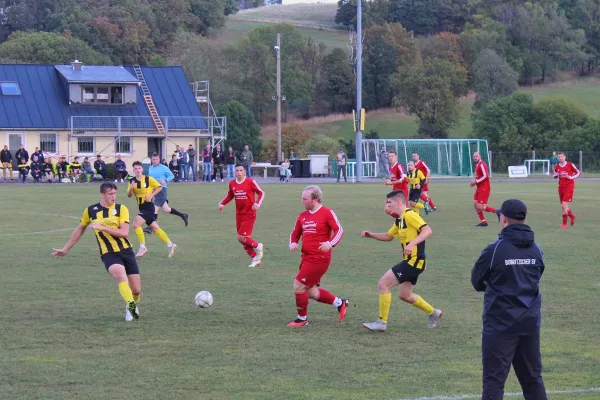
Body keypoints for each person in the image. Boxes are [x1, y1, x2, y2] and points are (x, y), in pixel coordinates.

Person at [471, 199, 547, 399]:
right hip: (529, 324)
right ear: (525, 219)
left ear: (503, 219)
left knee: (494, 383)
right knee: (533, 380)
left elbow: (477, 281)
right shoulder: (536, 249)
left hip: (499, 326)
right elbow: (536, 276)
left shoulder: (494, 250)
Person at [52, 182, 141, 322]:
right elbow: (80, 229)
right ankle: (131, 307)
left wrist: (102, 227)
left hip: (126, 251)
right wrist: (65, 249)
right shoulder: (91, 210)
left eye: (115, 193)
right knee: (120, 275)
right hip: (108, 253)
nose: (114, 196)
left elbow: (124, 233)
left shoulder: (121, 208)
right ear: (102, 194)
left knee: (136, 290)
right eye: (110, 194)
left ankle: (131, 302)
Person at [361, 190, 442, 332]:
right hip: (412, 262)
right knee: (405, 295)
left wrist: (412, 244)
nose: (388, 206)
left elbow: (427, 231)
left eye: (389, 203)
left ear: (398, 202)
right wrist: (371, 235)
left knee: (383, 283)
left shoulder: (410, 215)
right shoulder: (400, 220)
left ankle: (381, 322)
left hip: (414, 262)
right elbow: (388, 236)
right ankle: (433, 313)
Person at [287, 185, 348, 327]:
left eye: (305, 199)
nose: (302, 201)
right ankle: (340, 303)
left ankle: (302, 319)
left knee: (298, 286)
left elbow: (339, 230)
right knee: (311, 292)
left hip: (319, 258)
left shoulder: (327, 213)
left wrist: (330, 243)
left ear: (315, 199)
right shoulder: (302, 216)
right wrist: (293, 243)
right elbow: (294, 233)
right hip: (306, 258)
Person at [218, 164, 265, 268]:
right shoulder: (232, 183)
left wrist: (257, 203)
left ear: (244, 172)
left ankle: (258, 246)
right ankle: (255, 258)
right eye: (237, 171)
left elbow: (261, 192)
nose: (238, 172)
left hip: (249, 213)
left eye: (240, 170)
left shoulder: (250, 182)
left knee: (241, 237)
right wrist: (222, 204)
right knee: (241, 239)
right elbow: (230, 195)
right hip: (239, 214)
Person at [128, 161, 177, 258]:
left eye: (139, 168)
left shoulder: (148, 179)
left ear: (142, 169)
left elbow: (159, 187)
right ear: (133, 170)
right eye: (135, 169)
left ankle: (142, 247)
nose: (137, 170)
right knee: (155, 228)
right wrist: (131, 188)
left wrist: (151, 195)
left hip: (149, 207)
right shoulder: (132, 181)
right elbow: (129, 195)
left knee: (136, 224)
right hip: (141, 206)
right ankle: (170, 245)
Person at [143, 153, 189, 235]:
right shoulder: (150, 168)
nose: (155, 161)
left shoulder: (163, 168)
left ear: (159, 159)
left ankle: (151, 228)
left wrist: (166, 181)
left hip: (162, 189)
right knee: (166, 209)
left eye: (156, 159)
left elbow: (171, 175)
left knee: (154, 208)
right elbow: (149, 179)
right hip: (154, 190)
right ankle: (183, 215)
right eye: (153, 159)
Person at [553, 152, 580, 229]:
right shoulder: (557, 166)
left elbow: (578, 172)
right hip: (561, 187)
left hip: (569, 186)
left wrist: (570, 177)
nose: (560, 158)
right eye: (558, 157)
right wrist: (556, 175)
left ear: (565, 157)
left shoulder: (570, 164)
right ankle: (571, 217)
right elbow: (554, 175)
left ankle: (565, 223)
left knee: (564, 204)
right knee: (563, 206)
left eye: (561, 156)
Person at [470, 152, 497, 227]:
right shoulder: (477, 165)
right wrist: (474, 182)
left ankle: (497, 211)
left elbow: (485, 175)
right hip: (479, 187)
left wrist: (476, 181)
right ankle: (484, 222)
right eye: (474, 156)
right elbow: (479, 176)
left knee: (480, 207)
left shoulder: (482, 164)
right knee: (475, 204)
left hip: (484, 187)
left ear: (480, 156)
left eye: (476, 156)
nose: (475, 157)